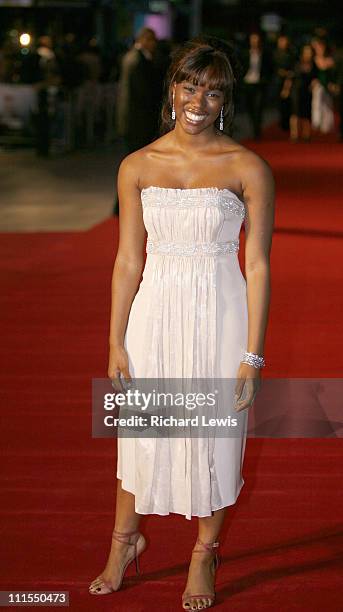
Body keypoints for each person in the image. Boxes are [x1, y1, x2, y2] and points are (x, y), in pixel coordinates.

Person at [89, 36, 275, 610]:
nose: (199, 99)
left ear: (226, 100)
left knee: (218, 432)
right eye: (190, 85)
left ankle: (204, 551)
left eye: (213, 91)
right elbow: (127, 259)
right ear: (172, 88)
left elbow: (259, 263)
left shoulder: (248, 167)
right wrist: (115, 338)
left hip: (221, 311)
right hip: (155, 314)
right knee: (141, 431)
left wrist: (252, 354)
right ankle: (124, 542)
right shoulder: (137, 165)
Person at [113, 27, 160, 214]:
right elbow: (142, 94)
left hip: (134, 119)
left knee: (134, 163)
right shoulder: (137, 60)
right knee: (134, 164)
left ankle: (123, 205)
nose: (154, 44)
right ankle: (122, 205)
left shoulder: (134, 58)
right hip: (137, 121)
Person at [241, 31, 273, 139]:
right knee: (250, 107)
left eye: (257, 40)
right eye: (253, 39)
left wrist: (266, 79)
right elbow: (240, 66)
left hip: (260, 83)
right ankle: (254, 127)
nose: (255, 42)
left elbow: (270, 68)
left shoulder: (265, 53)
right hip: (248, 83)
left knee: (258, 107)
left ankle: (257, 131)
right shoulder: (245, 53)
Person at [288, 44, 318, 142]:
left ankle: (306, 135)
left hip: (308, 91)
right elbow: (290, 77)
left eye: (309, 52)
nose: (308, 54)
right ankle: (294, 135)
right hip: (296, 90)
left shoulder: (314, 64)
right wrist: (286, 89)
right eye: (306, 51)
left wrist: (315, 82)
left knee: (306, 112)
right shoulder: (297, 63)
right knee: (295, 111)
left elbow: (317, 77)